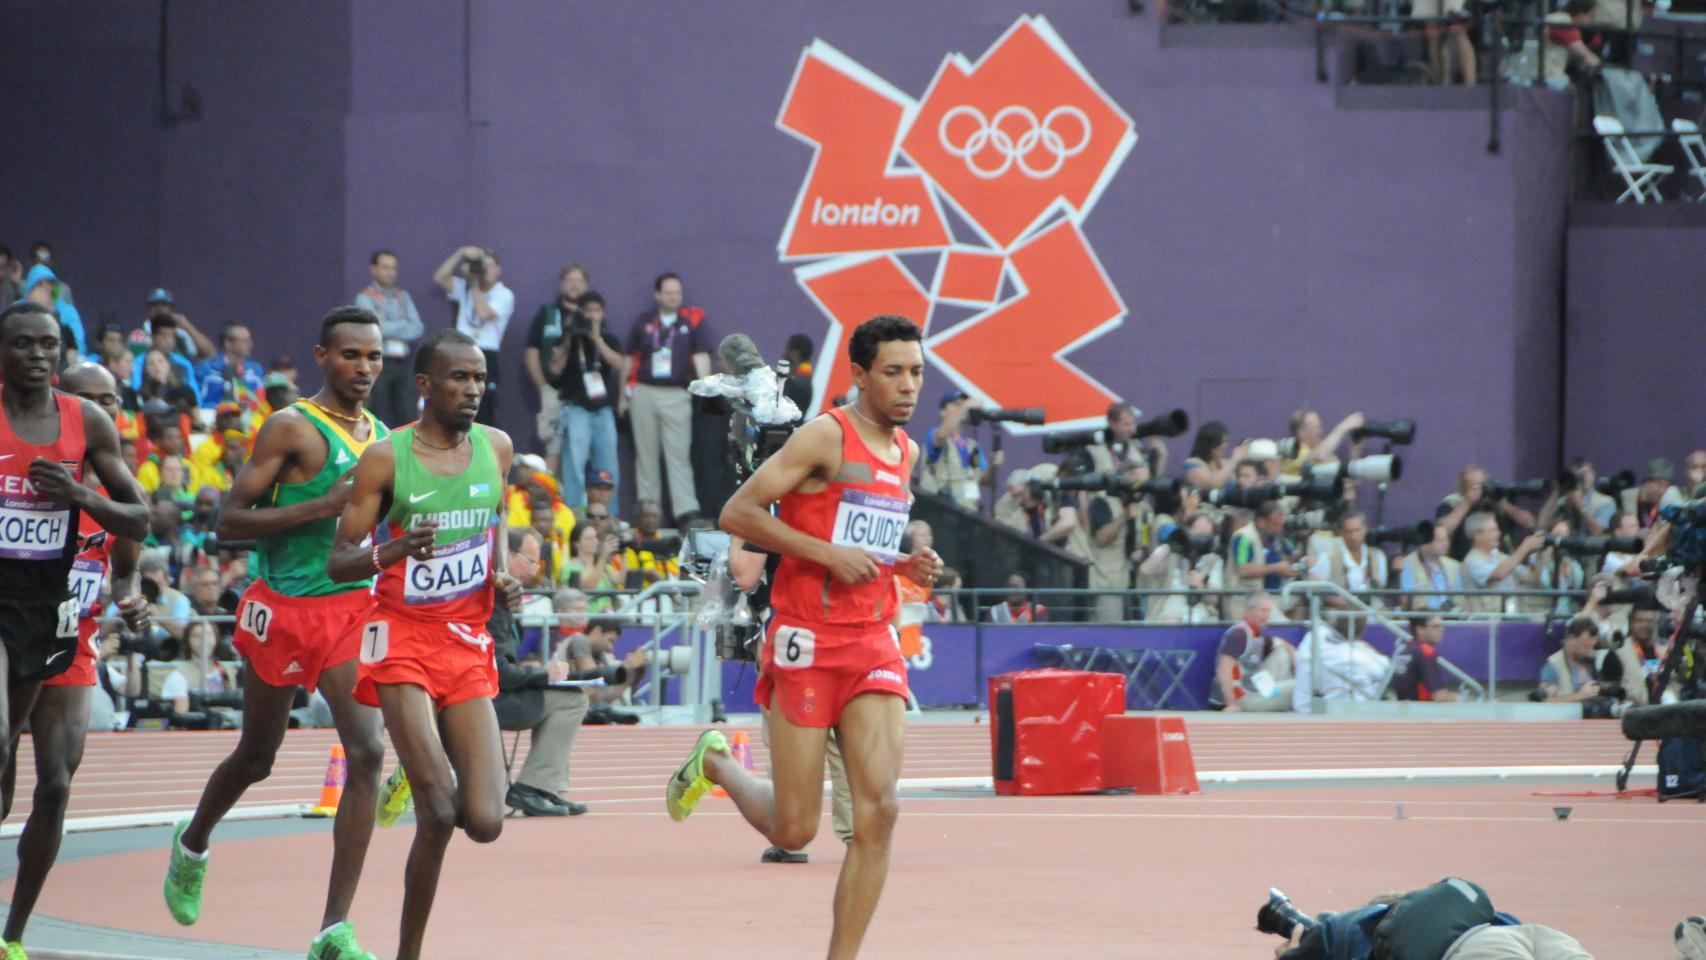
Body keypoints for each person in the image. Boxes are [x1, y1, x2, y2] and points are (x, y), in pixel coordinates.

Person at [670, 315, 940, 959]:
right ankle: (718, 763)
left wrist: (903, 565)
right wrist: (824, 555)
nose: (908, 385)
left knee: (879, 813)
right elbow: (737, 513)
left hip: (872, 641)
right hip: (806, 642)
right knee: (794, 830)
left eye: (916, 372)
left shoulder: (907, 453)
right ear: (861, 375)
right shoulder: (825, 436)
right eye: (894, 372)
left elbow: (865, 540)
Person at [162, 307, 391, 960]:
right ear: (322, 357)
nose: (364, 368)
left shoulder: (382, 435)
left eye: (374, 357)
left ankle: (333, 930)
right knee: (257, 757)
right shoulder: (291, 426)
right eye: (351, 355)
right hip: (285, 609)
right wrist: (321, 506)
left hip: (348, 608)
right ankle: (192, 843)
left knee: (367, 752)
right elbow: (228, 523)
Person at [327, 328, 519, 960]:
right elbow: (339, 560)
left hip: (465, 640)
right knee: (438, 812)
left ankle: (418, 764)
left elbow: (494, 518)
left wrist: (501, 573)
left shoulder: (497, 446)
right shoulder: (387, 458)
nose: (472, 389)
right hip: (401, 636)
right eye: (459, 378)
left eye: (480, 378)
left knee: (485, 822)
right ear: (424, 385)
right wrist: (394, 551)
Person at [0, 361, 149, 957]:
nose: (100, 410)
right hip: (13, 631)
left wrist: (130, 599)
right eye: (87, 399)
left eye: (109, 401)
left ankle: (13, 937)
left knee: (57, 784)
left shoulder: (116, 494)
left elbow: (126, 569)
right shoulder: (27, 470)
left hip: (72, 643)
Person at [491, 533, 588, 817]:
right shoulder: (492, 604)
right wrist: (543, 674)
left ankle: (547, 788)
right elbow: (500, 674)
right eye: (528, 562)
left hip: (493, 694)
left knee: (570, 692)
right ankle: (534, 788)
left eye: (537, 564)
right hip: (487, 701)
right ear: (505, 555)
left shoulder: (500, 600)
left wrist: (541, 674)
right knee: (573, 700)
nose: (532, 572)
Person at [625, 272, 712, 521]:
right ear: (657, 295)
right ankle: (649, 508)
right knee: (646, 454)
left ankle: (685, 510)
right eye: (669, 293)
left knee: (679, 454)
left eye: (678, 293)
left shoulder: (691, 321)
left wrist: (707, 390)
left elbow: (701, 355)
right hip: (644, 391)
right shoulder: (643, 322)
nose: (674, 297)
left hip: (677, 393)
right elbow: (630, 358)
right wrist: (623, 395)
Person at [546, 291, 625, 507]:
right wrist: (569, 336)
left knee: (609, 465)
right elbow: (554, 367)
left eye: (597, 311)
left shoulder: (610, 338)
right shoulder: (571, 339)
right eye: (588, 311)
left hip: (603, 409)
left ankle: (608, 514)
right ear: (580, 313)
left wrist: (598, 340)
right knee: (574, 463)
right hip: (576, 407)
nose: (592, 316)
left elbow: (618, 364)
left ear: (603, 313)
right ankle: (575, 512)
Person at [432, 246, 514, 426]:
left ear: (498, 269)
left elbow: (484, 313)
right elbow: (439, 278)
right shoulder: (465, 287)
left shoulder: (504, 294)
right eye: (482, 265)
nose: (485, 270)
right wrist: (460, 253)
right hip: (460, 353)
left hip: (486, 355)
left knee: (484, 409)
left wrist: (475, 284)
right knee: (456, 406)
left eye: (489, 266)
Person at [523, 263, 590, 462]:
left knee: (581, 452)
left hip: (582, 395)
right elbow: (531, 352)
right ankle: (550, 484)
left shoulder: (592, 314)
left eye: (579, 281)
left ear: (586, 285)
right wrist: (543, 387)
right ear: (561, 284)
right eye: (570, 280)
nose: (575, 285)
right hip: (554, 390)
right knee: (553, 449)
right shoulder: (547, 314)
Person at [354, 249, 424, 428]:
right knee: (378, 415)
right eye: (385, 267)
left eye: (393, 268)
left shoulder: (403, 296)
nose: (390, 272)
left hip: (403, 363)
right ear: (374, 269)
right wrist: (402, 323)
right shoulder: (364, 297)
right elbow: (373, 329)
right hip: (379, 363)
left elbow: (417, 328)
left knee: (407, 415)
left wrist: (386, 325)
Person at [1209, 590, 1295, 712]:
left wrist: (1299, 666)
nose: (1266, 615)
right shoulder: (1239, 634)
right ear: (1250, 610)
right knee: (1298, 686)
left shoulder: (1257, 634)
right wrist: (1231, 704)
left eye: (1268, 611)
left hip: (1254, 688)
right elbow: (1223, 669)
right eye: (1262, 610)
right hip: (1242, 698)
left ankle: (1273, 694)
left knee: (1282, 653)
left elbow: (1283, 645)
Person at [1225, 500, 1309, 621]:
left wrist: (1302, 563)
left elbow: (1291, 556)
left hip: (1274, 597)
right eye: (1275, 525)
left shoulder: (1276, 537)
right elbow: (1243, 570)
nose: (1279, 529)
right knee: (1283, 627)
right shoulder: (1244, 538)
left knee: (1304, 597)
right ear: (1262, 522)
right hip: (1247, 602)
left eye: (1281, 525)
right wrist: (1276, 568)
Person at [916, 391, 1000, 512]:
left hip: (968, 510)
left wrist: (992, 465)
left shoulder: (972, 445)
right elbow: (941, 436)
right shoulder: (934, 434)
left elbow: (984, 480)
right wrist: (965, 406)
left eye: (963, 404)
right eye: (956, 404)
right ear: (943, 411)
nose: (962, 407)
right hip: (939, 509)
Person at [1292, 613, 1391, 711]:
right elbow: (1387, 670)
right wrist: (1365, 647)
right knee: (1381, 687)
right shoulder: (1360, 658)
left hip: (1302, 707)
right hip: (1340, 713)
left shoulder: (1313, 636)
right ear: (1360, 632)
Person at [1461, 513, 1545, 615]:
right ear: (1477, 535)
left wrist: (1539, 553)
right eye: (1492, 531)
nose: (1498, 534)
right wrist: (1524, 548)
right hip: (1486, 621)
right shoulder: (1472, 561)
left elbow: (1530, 578)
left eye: (1497, 530)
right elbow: (1499, 574)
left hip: (1511, 616)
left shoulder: (1499, 556)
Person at [193, 323, 265, 412]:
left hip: (248, 417)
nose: (250, 344)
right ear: (228, 343)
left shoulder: (255, 369)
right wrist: (226, 408)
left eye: (249, 340)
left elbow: (261, 403)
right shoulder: (205, 368)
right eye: (244, 341)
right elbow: (197, 401)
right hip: (212, 416)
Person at [1399, 522, 1465, 611]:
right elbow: (1405, 603)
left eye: (1446, 540)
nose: (1445, 544)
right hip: (1422, 616)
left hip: (1451, 616)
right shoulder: (1408, 564)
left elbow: (1461, 599)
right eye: (1439, 540)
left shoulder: (1454, 566)